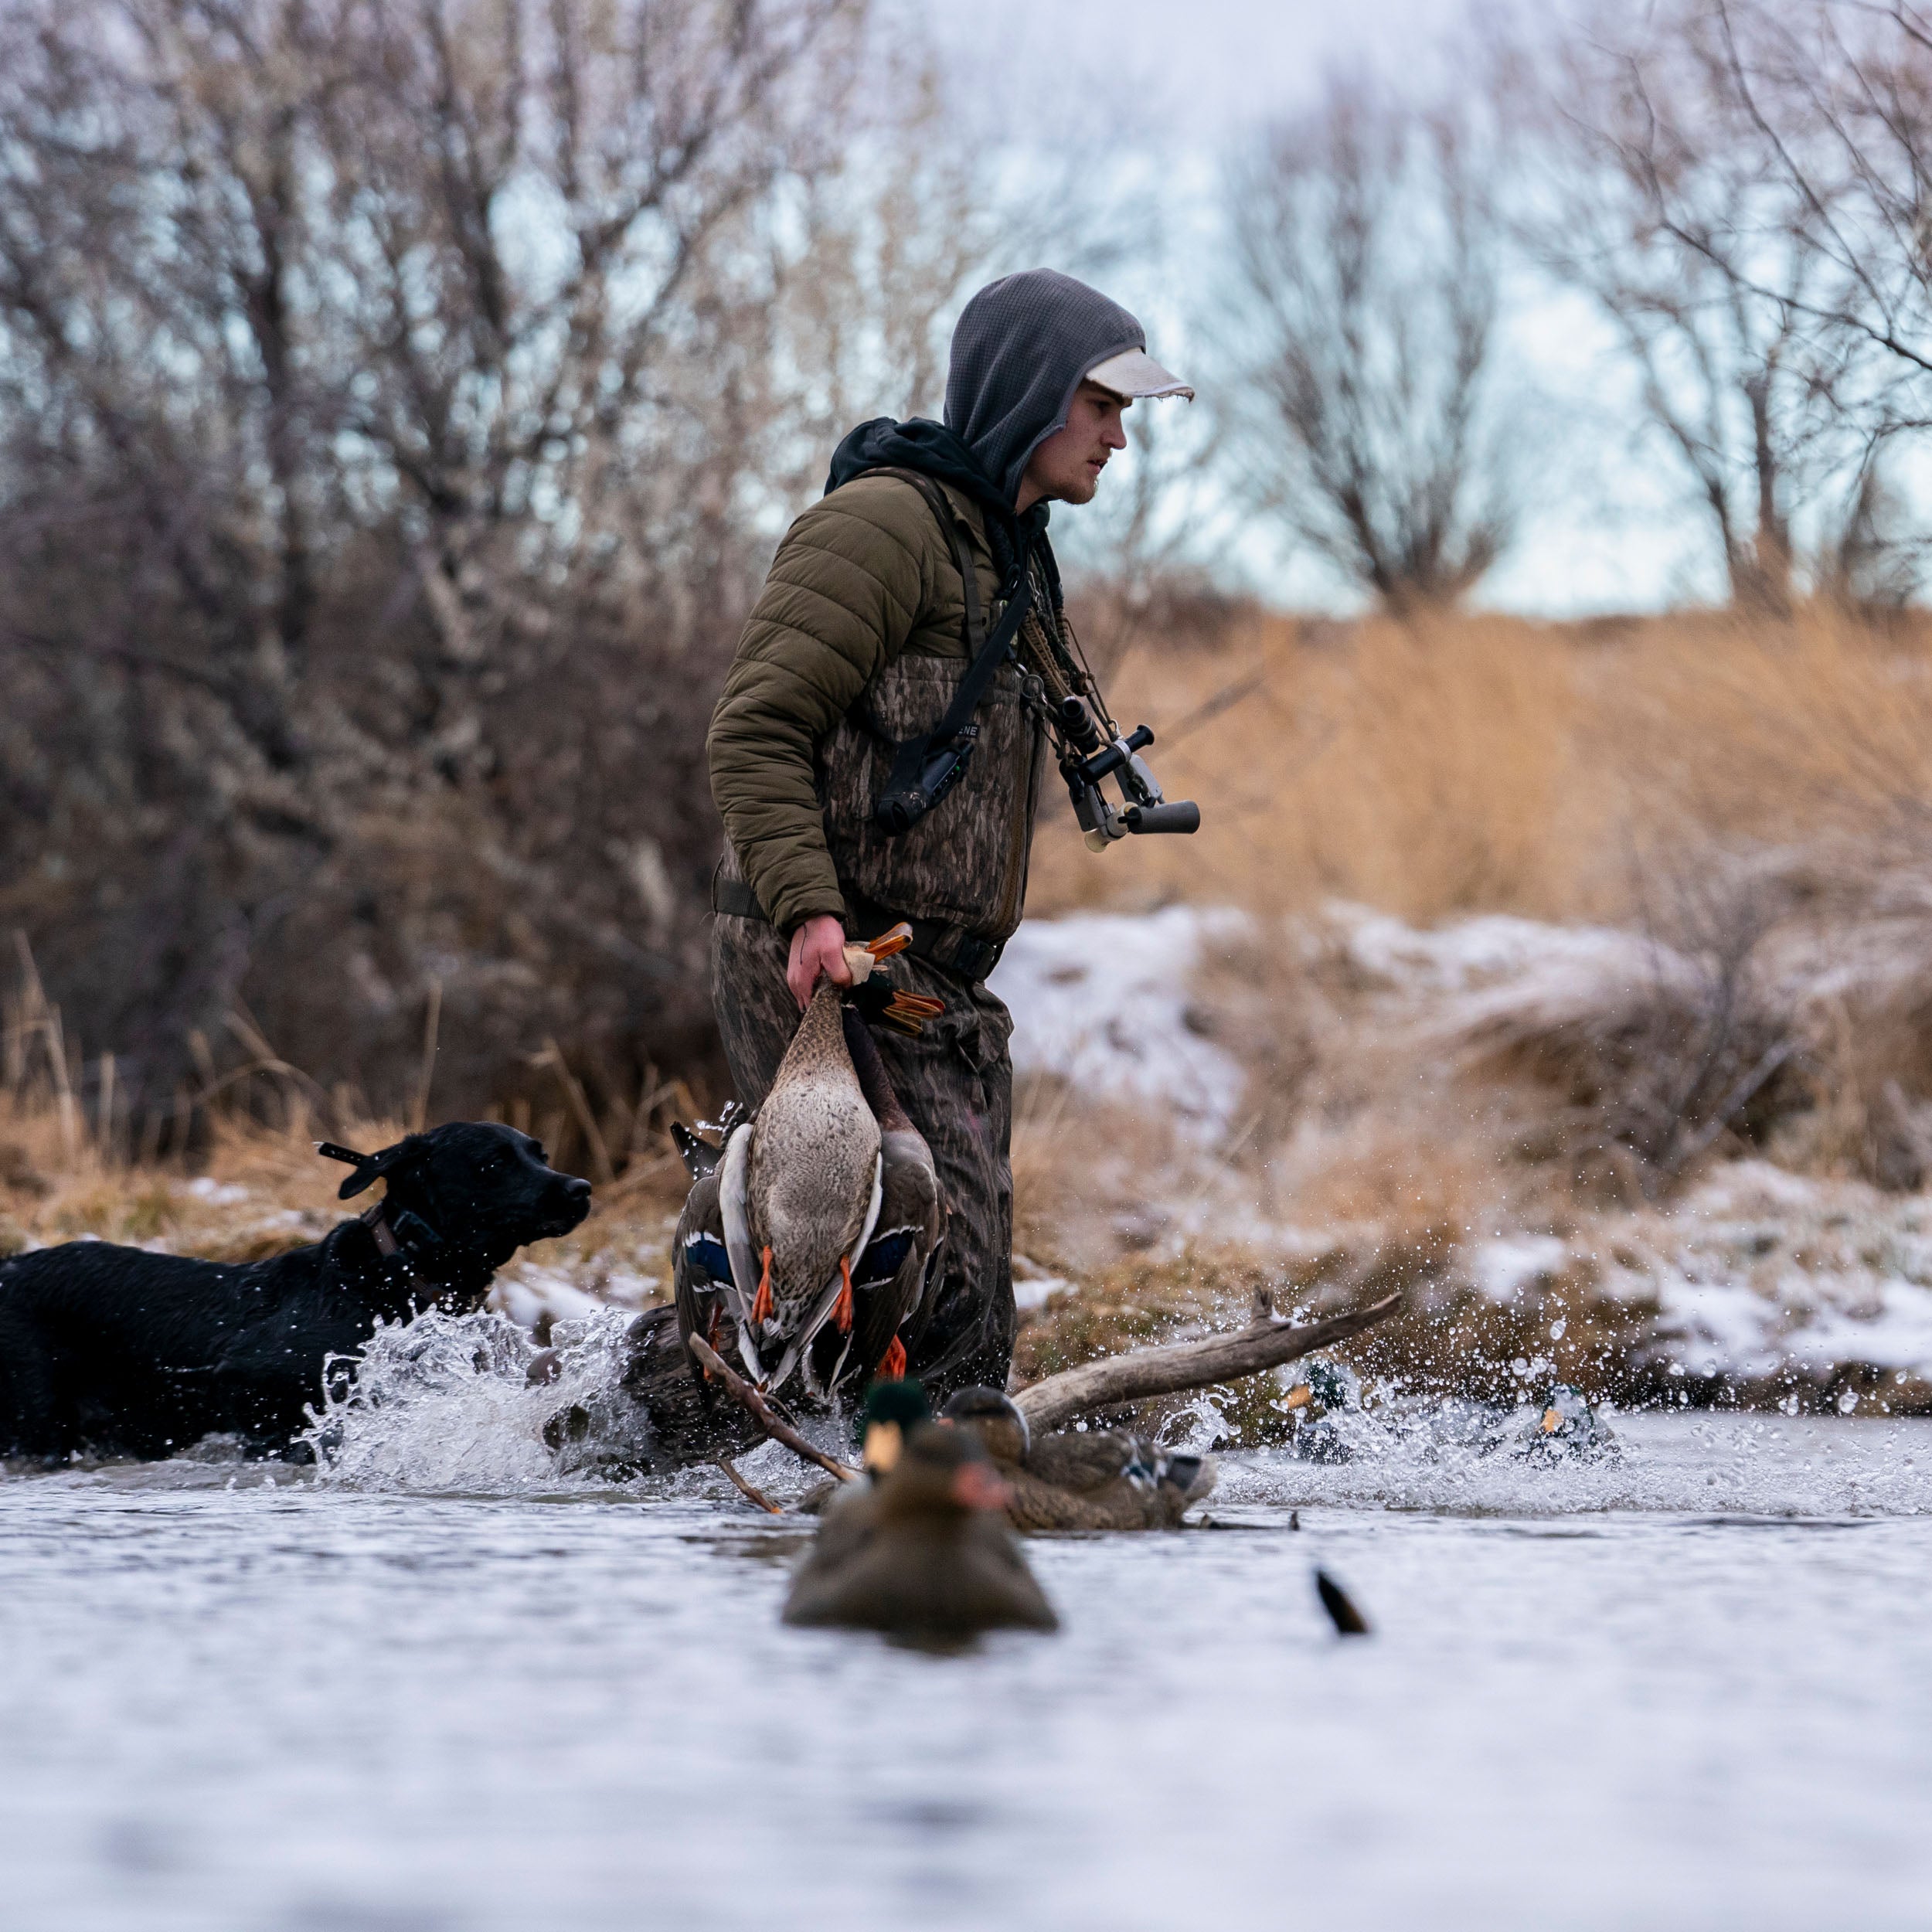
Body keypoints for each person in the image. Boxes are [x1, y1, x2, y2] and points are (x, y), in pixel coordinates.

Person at [706, 267, 1193, 1398]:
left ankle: (884, 1495)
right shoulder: (882, 528)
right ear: (1031, 394)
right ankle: (623, 1452)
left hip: (932, 982)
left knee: (939, 1292)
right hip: (833, 958)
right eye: (1104, 407)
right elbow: (755, 728)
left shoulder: (1005, 545)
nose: (1120, 439)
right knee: (911, 1277)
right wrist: (812, 914)